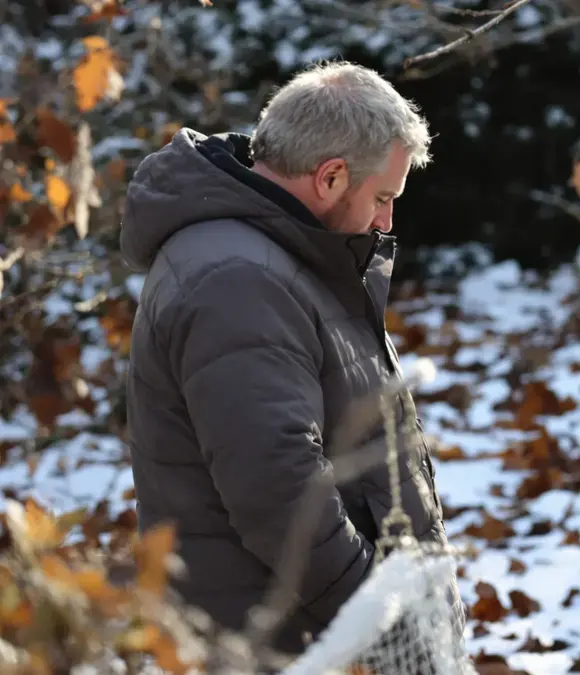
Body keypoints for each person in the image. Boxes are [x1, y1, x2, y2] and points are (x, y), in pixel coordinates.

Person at [119, 61, 461, 655]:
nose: (386, 221)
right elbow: (280, 490)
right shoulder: (238, 279)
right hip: (281, 645)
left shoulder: (280, 254)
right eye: (383, 197)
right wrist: (383, 625)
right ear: (330, 177)